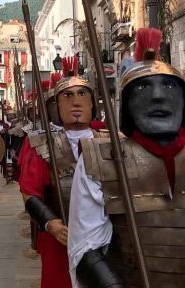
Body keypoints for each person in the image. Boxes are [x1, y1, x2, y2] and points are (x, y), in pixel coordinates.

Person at [68, 28, 185, 288]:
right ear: (126, 105)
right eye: (142, 86)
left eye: (169, 85)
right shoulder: (100, 161)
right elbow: (86, 251)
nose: (158, 95)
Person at [18, 58, 99, 288]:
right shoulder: (43, 145)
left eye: (82, 94)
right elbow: (29, 191)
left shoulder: (111, 139)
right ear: (57, 104)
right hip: (61, 236)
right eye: (67, 96)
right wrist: (50, 223)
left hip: (106, 236)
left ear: (93, 104)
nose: (75, 101)